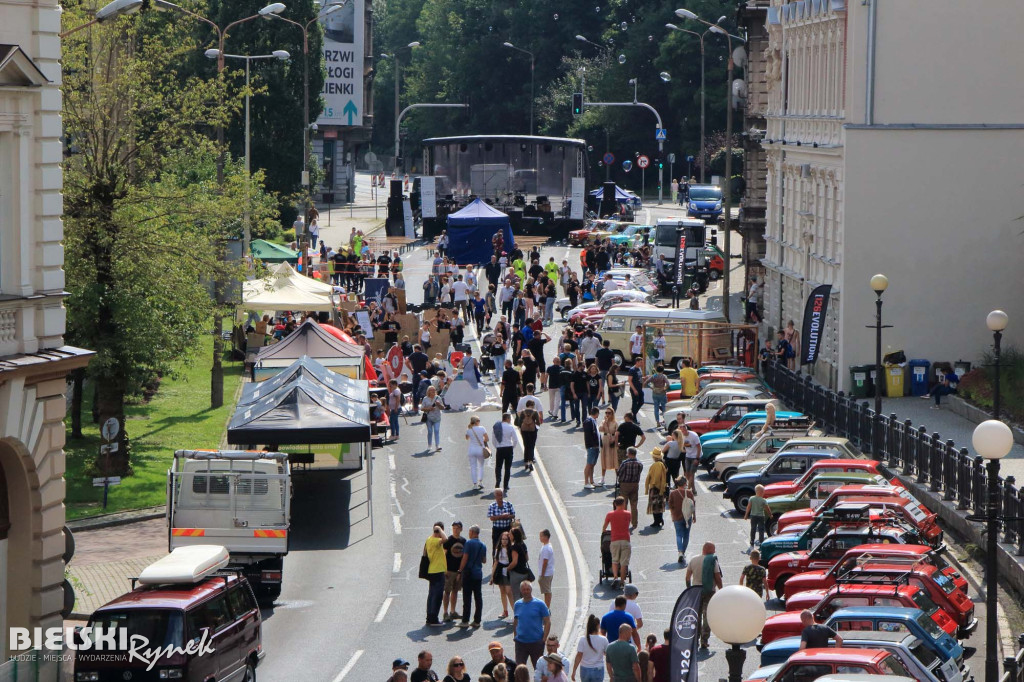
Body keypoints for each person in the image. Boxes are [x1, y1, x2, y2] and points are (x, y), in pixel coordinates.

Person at [685, 542, 723, 649]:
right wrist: (721, 590)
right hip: (709, 591)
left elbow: (687, 577)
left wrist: (689, 590)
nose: (715, 552)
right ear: (709, 550)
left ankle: (695, 639)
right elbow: (717, 577)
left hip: (696, 591)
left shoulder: (693, 560)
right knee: (707, 616)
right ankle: (704, 640)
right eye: (713, 549)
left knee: (696, 615)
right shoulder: (712, 561)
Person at [514, 581, 552, 667]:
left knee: (538, 668)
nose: (526, 591)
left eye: (528, 589)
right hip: (521, 643)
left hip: (536, 642)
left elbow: (547, 622)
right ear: (521, 591)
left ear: (531, 590)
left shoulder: (540, 604)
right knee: (519, 670)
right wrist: (515, 636)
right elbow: (515, 621)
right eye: (524, 590)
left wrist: (544, 639)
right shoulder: (517, 604)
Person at [602, 497, 632, 589]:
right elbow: (628, 523)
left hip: (614, 540)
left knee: (614, 560)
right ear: (623, 504)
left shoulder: (610, 514)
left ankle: (615, 577)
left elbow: (604, 528)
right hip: (625, 539)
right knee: (624, 563)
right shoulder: (628, 514)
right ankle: (622, 582)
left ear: (615, 504)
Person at [424, 524, 448, 627]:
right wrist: (439, 529)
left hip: (431, 570)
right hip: (438, 571)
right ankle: (434, 619)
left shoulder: (429, 539)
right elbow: (445, 539)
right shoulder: (435, 541)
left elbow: (424, 553)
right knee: (437, 596)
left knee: (431, 595)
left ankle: (429, 617)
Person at [442, 521, 466, 622]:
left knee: (455, 591)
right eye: (454, 528)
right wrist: (444, 569)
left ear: (461, 529)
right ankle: (445, 612)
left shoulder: (463, 541)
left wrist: (461, 571)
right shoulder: (448, 541)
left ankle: (453, 611)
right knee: (447, 591)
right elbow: (443, 555)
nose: (455, 530)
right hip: (449, 570)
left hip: (458, 570)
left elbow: (464, 556)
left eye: (457, 528)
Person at [573, 614, 609, 682]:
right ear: (598, 626)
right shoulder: (603, 639)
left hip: (585, 669)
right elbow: (608, 654)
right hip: (598, 669)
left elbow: (579, 655)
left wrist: (574, 671)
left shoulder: (583, 639)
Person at [668, 478, 696, 563]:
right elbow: (693, 505)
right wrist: (694, 516)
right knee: (686, 535)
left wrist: (673, 514)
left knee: (679, 534)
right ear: (684, 484)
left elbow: (670, 505)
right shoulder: (689, 492)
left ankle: (680, 552)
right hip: (687, 517)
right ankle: (683, 552)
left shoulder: (673, 493)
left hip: (677, 516)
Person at [616, 447, 644, 530]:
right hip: (635, 484)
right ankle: (634, 522)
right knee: (634, 504)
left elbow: (619, 473)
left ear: (629, 454)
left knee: (624, 504)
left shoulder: (625, 463)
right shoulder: (639, 463)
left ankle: (625, 522)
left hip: (625, 484)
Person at [492, 531, 515, 619]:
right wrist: (492, 575)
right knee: (502, 591)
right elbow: (496, 562)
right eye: (503, 539)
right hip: (500, 570)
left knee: (509, 592)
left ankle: (515, 612)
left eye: (506, 539)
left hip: (508, 570)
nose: (504, 541)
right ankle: (505, 611)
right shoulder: (498, 549)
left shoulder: (511, 549)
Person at [493, 413, 517, 493]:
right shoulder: (510, 427)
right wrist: (512, 446)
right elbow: (515, 439)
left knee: (498, 466)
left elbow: (494, 439)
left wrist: (497, 446)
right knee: (507, 467)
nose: (510, 420)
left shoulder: (496, 427)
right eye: (509, 419)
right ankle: (506, 484)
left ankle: (498, 481)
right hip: (508, 448)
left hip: (500, 448)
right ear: (507, 419)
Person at [644, 449, 667, 528]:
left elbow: (656, 477)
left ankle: (656, 521)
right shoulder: (662, 463)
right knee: (660, 504)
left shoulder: (656, 465)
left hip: (656, 487)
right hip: (661, 487)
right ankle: (660, 519)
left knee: (654, 505)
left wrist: (653, 484)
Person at [466, 416, 490, 490]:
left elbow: (467, 438)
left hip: (472, 450)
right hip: (480, 450)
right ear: (476, 421)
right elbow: (487, 439)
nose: (479, 422)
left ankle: (475, 484)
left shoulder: (469, 430)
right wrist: (482, 440)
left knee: (473, 467)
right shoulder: (482, 428)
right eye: (478, 420)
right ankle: (480, 482)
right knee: (481, 466)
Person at [508, 526, 531, 601]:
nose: (509, 535)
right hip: (524, 572)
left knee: (516, 595)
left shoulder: (514, 547)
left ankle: (518, 611)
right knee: (524, 595)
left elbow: (514, 562)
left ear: (514, 536)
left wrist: (507, 569)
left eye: (510, 534)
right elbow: (527, 558)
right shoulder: (523, 544)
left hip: (516, 573)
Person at [519, 399, 541, 473]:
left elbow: (519, 421)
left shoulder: (523, 411)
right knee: (531, 446)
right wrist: (536, 428)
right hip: (532, 430)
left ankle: (526, 462)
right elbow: (538, 422)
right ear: (532, 405)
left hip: (524, 430)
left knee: (526, 446)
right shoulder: (534, 412)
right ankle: (531, 462)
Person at [679, 421, 701, 491]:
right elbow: (682, 446)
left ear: (686, 429)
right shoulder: (682, 436)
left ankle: (689, 490)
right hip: (688, 455)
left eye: (684, 431)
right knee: (687, 474)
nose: (683, 433)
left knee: (692, 473)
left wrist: (697, 459)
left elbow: (699, 447)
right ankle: (693, 489)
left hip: (695, 456)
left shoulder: (694, 436)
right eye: (681, 431)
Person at [582, 406, 601, 489]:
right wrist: (593, 444)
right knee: (589, 464)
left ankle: (592, 481)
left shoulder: (593, 421)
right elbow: (589, 435)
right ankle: (586, 482)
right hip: (592, 446)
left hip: (596, 446)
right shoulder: (588, 421)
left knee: (592, 464)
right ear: (596, 413)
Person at [600, 408, 619, 487]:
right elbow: (600, 429)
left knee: (615, 459)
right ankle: (603, 478)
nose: (607, 414)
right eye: (606, 413)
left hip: (612, 441)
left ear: (612, 414)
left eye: (609, 413)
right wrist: (605, 423)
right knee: (604, 458)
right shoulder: (604, 421)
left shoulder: (615, 423)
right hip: (605, 441)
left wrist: (614, 440)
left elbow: (617, 433)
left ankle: (617, 479)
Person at [421, 386, 444, 452]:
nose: (433, 392)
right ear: (428, 391)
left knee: (436, 430)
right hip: (429, 417)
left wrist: (439, 404)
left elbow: (443, 408)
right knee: (430, 431)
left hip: (437, 417)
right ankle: (429, 445)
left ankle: (437, 445)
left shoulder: (438, 398)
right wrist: (429, 409)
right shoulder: (425, 398)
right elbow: (422, 408)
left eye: (434, 390)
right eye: (431, 390)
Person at [537, 529, 555, 608]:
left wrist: (542, 574)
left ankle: (547, 607)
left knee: (547, 591)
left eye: (541, 536)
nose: (540, 538)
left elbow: (545, 562)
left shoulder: (546, 548)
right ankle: (546, 606)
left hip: (546, 573)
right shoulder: (547, 546)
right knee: (546, 591)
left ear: (546, 537)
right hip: (549, 572)